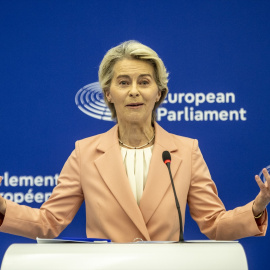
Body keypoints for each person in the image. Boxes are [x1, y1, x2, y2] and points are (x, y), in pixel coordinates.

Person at [0, 40, 269, 242]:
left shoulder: (186, 151)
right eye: (123, 82)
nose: (134, 91)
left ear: (158, 93)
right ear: (107, 94)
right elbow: (50, 222)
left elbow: (214, 224)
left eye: (144, 82)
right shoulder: (85, 153)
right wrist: (2, 207)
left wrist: (256, 208)